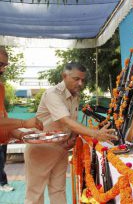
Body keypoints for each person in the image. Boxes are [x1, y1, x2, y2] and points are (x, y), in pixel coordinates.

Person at [24, 62, 118, 204]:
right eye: (76, 79)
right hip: (41, 150)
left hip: (61, 149)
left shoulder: (75, 95)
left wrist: (73, 138)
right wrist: (96, 134)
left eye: (83, 80)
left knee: (58, 190)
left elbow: (73, 122)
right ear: (64, 76)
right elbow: (66, 121)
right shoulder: (53, 94)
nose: (80, 83)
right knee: (35, 194)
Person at [0, 46, 43, 192]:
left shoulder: (0, 87)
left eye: (5, 65)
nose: (3, 69)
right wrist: (24, 123)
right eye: (0, 64)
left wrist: (21, 134)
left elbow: (3, 119)